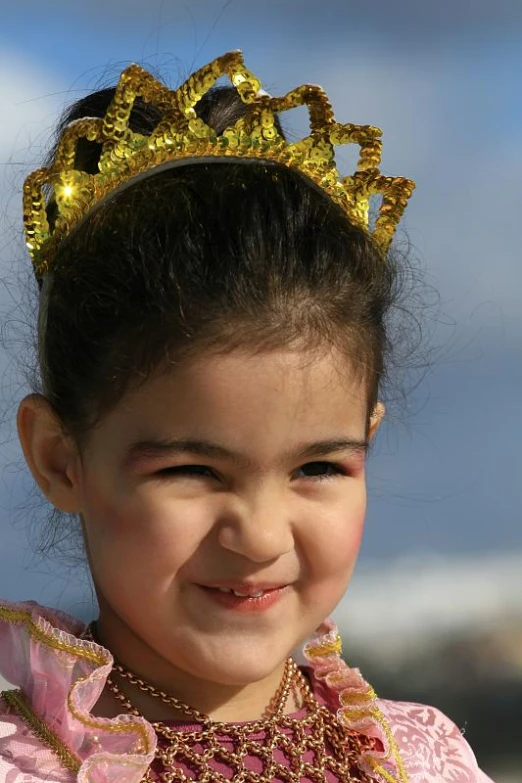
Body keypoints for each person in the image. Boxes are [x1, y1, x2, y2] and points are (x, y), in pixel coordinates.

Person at [0, 51, 492, 782]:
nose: (259, 535)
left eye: (318, 466)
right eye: (192, 469)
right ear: (58, 457)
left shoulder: (424, 759)